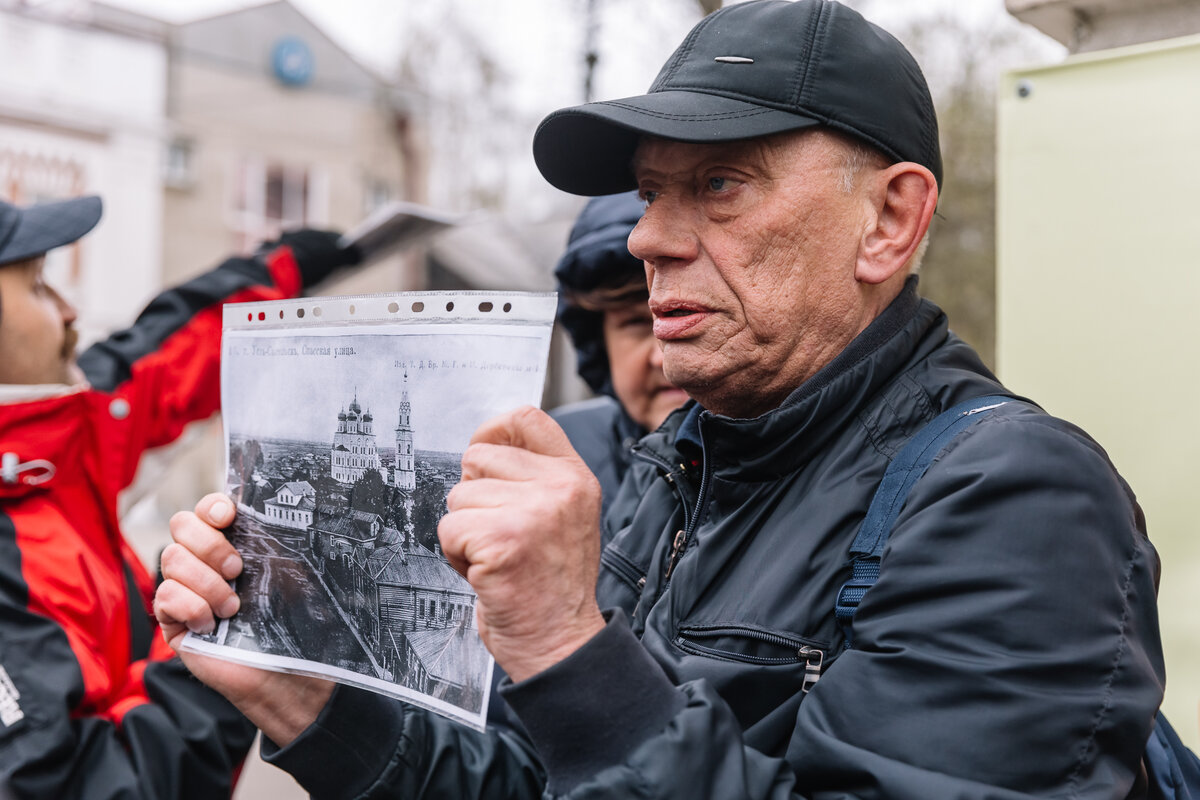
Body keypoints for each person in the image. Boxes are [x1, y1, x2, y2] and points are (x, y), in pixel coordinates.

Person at [153, 1, 1167, 798]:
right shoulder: (675, 466)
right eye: (649, 193)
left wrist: (565, 645)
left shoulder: (1017, 498)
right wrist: (308, 704)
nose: (647, 239)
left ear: (891, 220)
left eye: (720, 184)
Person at [0, 194, 362, 798]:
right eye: (38, 287)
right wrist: (219, 633)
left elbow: (158, 356)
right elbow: (93, 787)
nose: (70, 311)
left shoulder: (52, 439)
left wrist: (280, 271)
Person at [550, 189, 688, 523]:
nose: (662, 358)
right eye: (637, 324)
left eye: (683, 316)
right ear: (600, 343)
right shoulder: (557, 456)